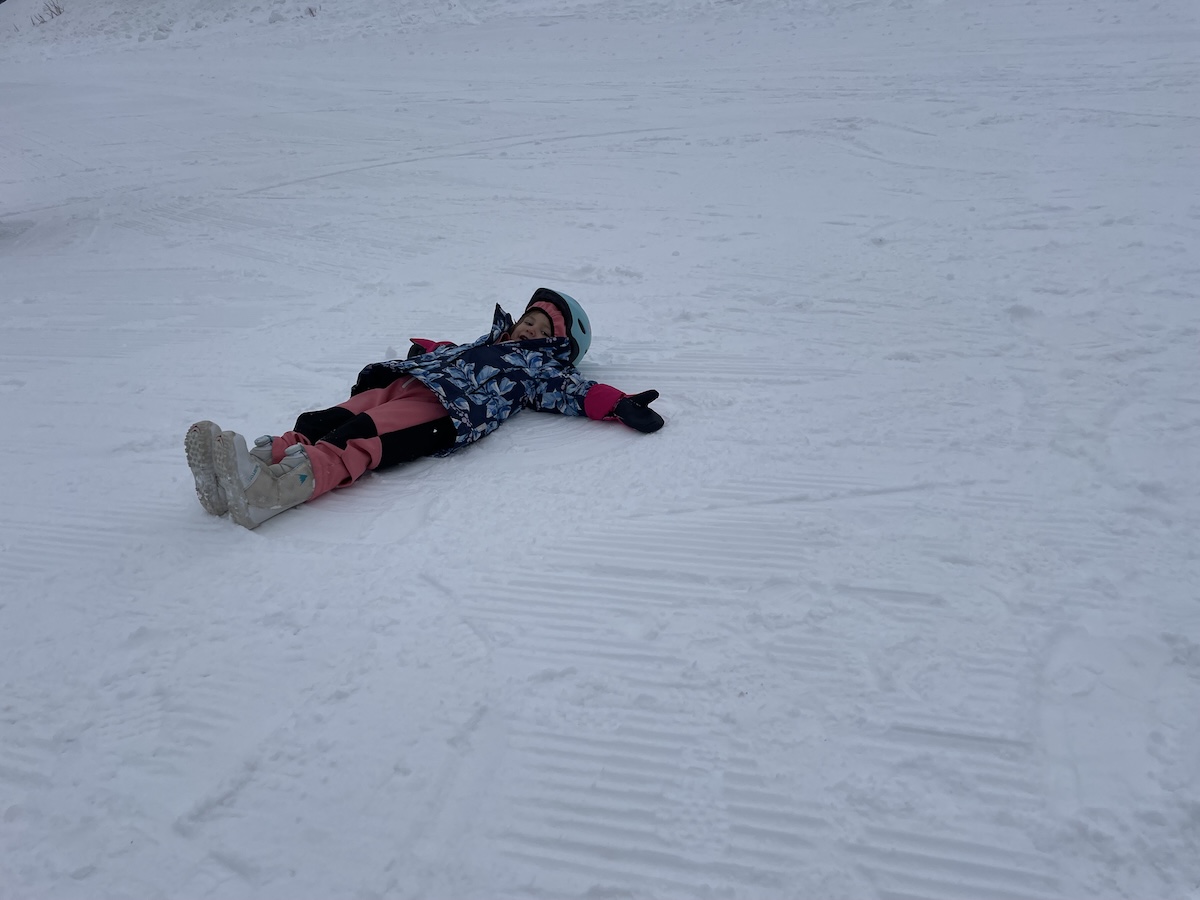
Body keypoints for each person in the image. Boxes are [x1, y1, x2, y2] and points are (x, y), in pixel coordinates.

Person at [185, 288, 664, 529]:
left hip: (449, 409)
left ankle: (270, 492)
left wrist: (618, 403)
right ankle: (251, 467)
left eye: (543, 331)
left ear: (557, 348)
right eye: (529, 320)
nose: (530, 330)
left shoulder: (539, 369)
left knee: (361, 436)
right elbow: (455, 352)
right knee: (327, 419)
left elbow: (575, 392)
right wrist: (430, 349)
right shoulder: (488, 341)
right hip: (411, 382)